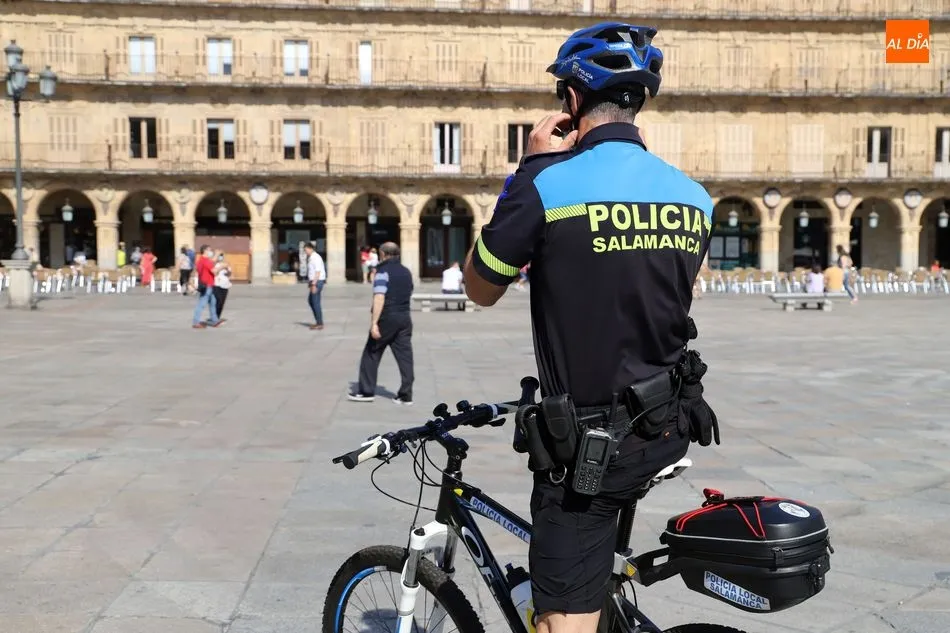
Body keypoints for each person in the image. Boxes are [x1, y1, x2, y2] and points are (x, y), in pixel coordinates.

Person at [462, 23, 719, 633]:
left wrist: (526, 170)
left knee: (559, 622)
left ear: (571, 102)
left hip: (592, 446)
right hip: (668, 419)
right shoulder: (695, 197)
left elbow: (480, 286)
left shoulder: (546, 185)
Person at [348, 242, 414, 405]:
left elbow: (379, 297)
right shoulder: (406, 272)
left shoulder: (382, 272)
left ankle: (366, 391)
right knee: (405, 356)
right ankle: (406, 395)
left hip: (388, 317)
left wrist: (374, 323)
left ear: (383, 254)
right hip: (405, 317)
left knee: (371, 352)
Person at [192, 245, 223, 329]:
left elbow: (210, 264)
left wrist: (216, 256)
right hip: (207, 285)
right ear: (205, 251)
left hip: (205, 284)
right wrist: (222, 266)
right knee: (202, 303)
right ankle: (196, 322)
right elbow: (215, 271)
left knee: (213, 302)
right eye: (210, 250)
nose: (211, 252)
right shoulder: (206, 261)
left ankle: (215, 320)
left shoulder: (200, 260)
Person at [304, 242, 327, 330]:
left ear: (311, 248)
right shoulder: (311, 258)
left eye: (306, 250)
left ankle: (319, 323)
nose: (305, 252)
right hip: (314, 281)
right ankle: (318, 321)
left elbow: (317, 272)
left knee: (315, 302)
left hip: (317, 282)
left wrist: (313, 284)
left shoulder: (315, 258)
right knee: (312, 301)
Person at [212, 251, 232, 318]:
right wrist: (221, 267)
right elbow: (214, 273)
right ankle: (214, 316)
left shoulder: (226, 264)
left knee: (222, 302)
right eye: (219, 256)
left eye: (221, 256)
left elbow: (229, 274)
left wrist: (227, 269)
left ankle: (218, 316)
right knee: (218, 301)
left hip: (225, 285)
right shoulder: (213, 264)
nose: (220, 257)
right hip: (216, 285)